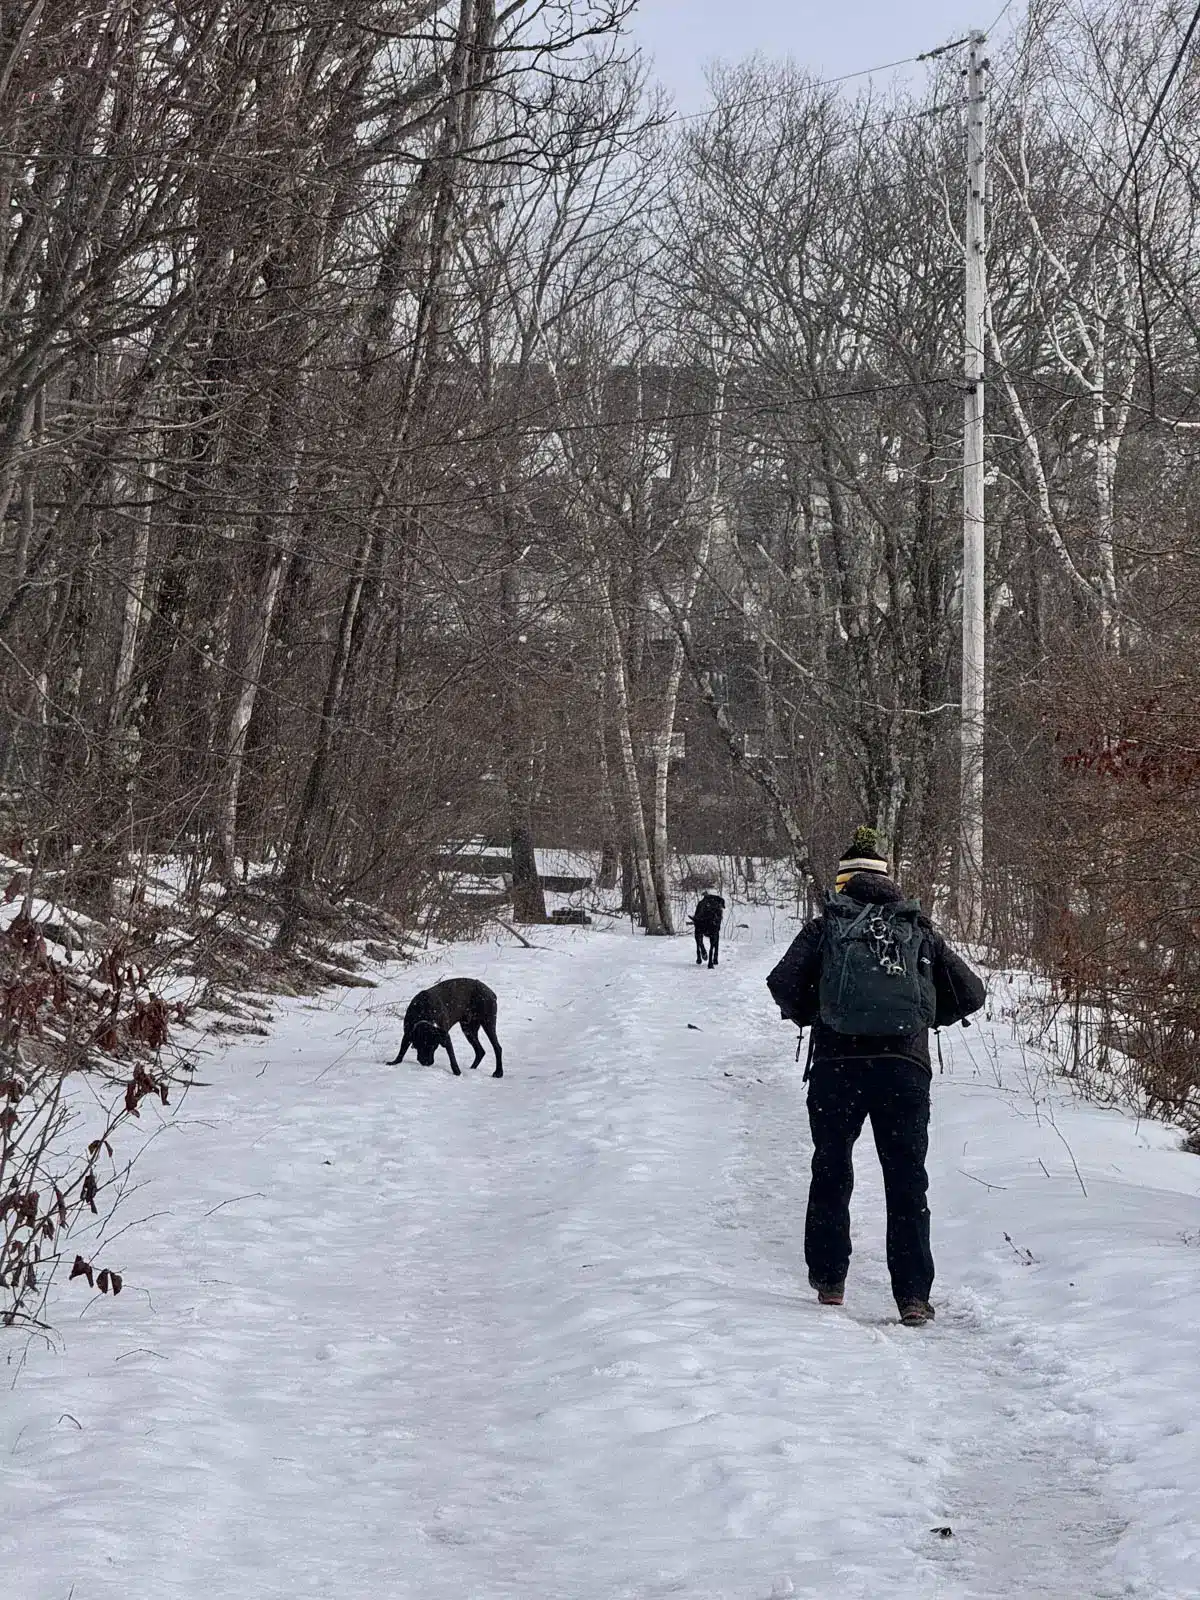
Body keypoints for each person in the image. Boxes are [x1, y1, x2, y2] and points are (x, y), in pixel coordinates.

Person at [766, 827, 985, 1327]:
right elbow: (970, 993)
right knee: (907, 1181)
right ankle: (912, 1297)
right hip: (904, 1070)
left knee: (832, 1167)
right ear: (889, 881)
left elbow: (782, 983)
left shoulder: (826, 927)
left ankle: (830, 1280)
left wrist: (816, 1013)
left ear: (844, 882)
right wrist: (921, 1016)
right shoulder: (919, 929)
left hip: (836, 1069)